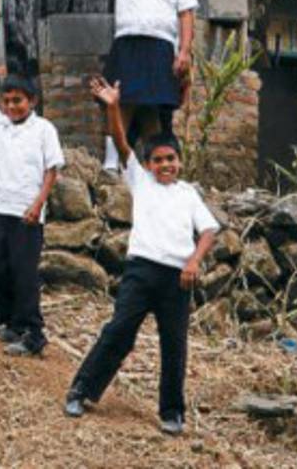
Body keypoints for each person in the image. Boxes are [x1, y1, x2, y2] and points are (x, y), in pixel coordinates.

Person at [66, 76, 219, 437]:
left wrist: (193, 261)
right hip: (140, 271)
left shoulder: (188, 194)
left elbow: (210, 231)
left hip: (177, 278)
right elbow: (121, 142)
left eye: (172, 159)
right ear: (147, 164)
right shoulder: (142, 182)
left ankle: (172, 411)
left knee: (174, 344)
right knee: (119, 332)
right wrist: (114, 106)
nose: (166, 165)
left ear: (179, 162)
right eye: (159, 160)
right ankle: (82, 390)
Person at [0, 73, 64, 357]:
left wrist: (38, 203)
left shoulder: (44, 129)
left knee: (23, 272)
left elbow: (51, 169)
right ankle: (11, 322)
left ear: (32, 101)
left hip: (27, 212)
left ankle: (33, 333)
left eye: (18, 100)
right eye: (6, 101)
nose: (11, 106)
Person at [85, 0, 197, 169]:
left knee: (152, 106)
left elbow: (186, 14)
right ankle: (112, 165)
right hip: (127, 44)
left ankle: (153, 165)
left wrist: (184, 52)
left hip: (160, 46)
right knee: (120, 100)